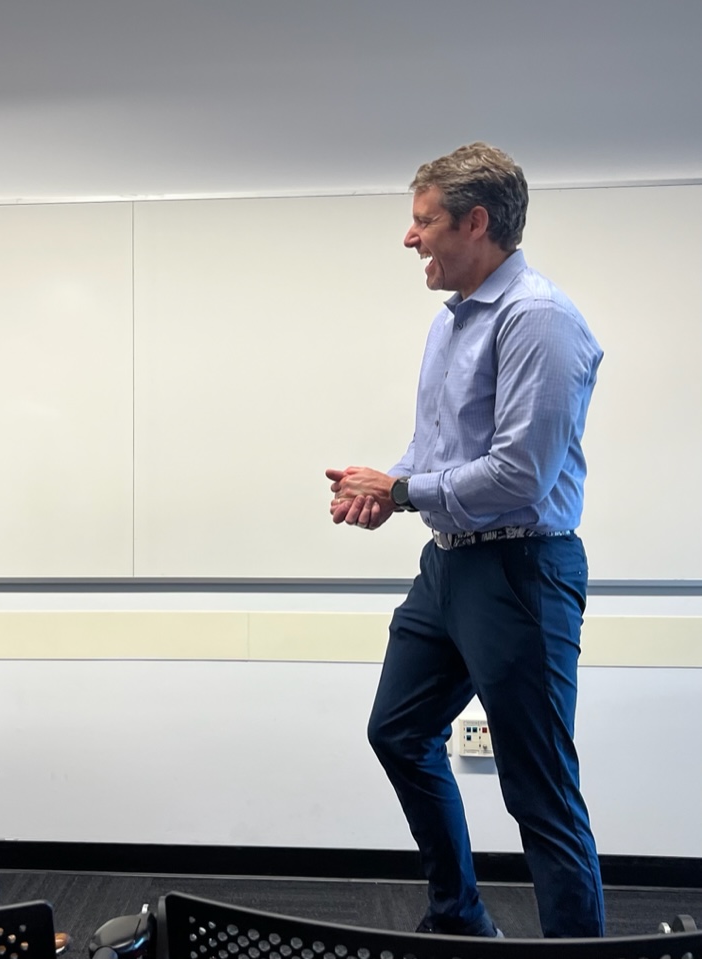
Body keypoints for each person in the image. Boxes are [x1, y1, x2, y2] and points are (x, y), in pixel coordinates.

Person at [325, 143, 605, 939]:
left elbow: (518, 474)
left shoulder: (538, 319)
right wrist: (389, 484)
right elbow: (438, 448)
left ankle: (577, 951)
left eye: (424, 221)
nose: (409, 239)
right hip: (448, 568)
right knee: (399, 731)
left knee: (538, 787)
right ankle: (459, 916)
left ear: (475, 222)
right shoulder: (452, 323)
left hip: (520, 569)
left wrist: (407, 491)